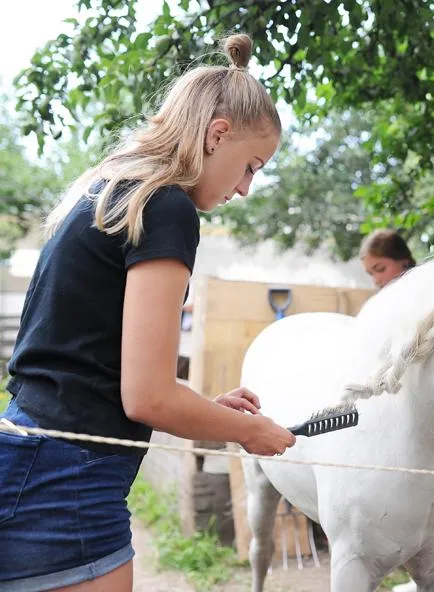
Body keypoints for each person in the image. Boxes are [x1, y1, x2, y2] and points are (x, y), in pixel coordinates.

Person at [0, 34, 296, 591]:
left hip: (30, 447)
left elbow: (93, 366)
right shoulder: (167, 208)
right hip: (71, 477)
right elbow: (149, 398)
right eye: (251, 166)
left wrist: (205, 408)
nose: (246, 189)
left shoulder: (111, 190)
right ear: (217, 134)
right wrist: (248, 432)